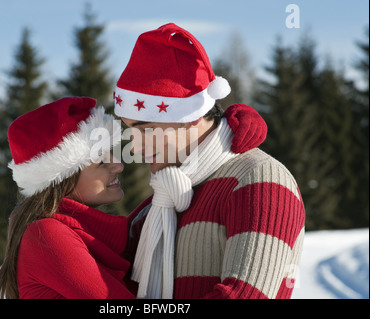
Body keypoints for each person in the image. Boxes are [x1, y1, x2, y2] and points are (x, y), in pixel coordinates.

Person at [0, 95, 265, 299]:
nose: (118, 165)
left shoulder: (88, 232)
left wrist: (222, 133)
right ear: (62, 178)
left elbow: (166, 201)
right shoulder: (46, 234)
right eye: (102, 160)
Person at [114, 23, 305, 299]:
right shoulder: (165, 200)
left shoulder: (261, 180)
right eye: (129, 129)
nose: (135, 145)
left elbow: (244, 296)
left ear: (189, 115)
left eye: (144, 128)